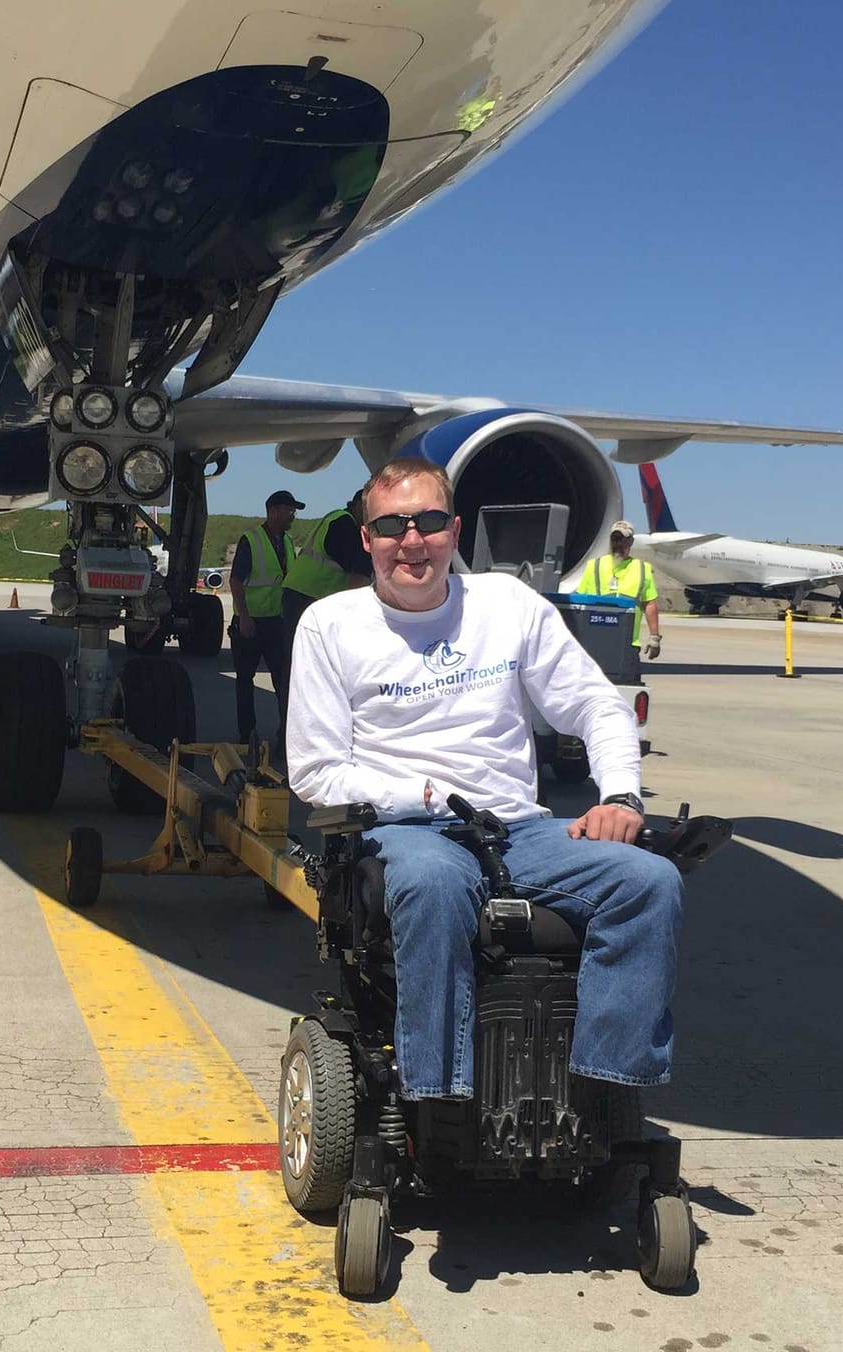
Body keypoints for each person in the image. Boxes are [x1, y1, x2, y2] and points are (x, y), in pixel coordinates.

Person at [287, 459, 682, 1100]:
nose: (411, 540)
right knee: (433, 883)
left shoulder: (507, 605)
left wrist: (620, 795)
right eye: (391, 525)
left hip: (515, 827)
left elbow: (596, 705)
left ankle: (598, 1093)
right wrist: (416, 794)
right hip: (405, 831)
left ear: (455, 530)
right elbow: (314, 770)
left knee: (650, 882)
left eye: (430, 522)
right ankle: (439, 1099)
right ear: (367, 539)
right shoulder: (330, 626)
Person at [229, 489, 301, 745]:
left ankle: (286, 735)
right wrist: (245, 617)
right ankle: (246, 734)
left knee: (283, 680)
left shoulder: (288, 542)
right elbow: (236, 580)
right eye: (288, 510)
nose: (292, 515)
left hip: (276, 622)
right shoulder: (252, 540)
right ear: (273, 511)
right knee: (245, 680)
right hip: (252, 622)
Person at [280, 488, 372, 637]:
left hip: (303, 593)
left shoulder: (337, 518)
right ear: (357, 505)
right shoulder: (344, 524)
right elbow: (359, 569)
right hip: (307, 596)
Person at [583, 521, 662, 660]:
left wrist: (654, 637)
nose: (618, 544)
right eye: (615, 539)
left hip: (629, 644)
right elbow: (579, 602)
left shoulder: (642, 569)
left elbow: (649, 604)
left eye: (623, 540)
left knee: (628, 679)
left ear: (631, 542)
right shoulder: (593, 566)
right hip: (596, 641)